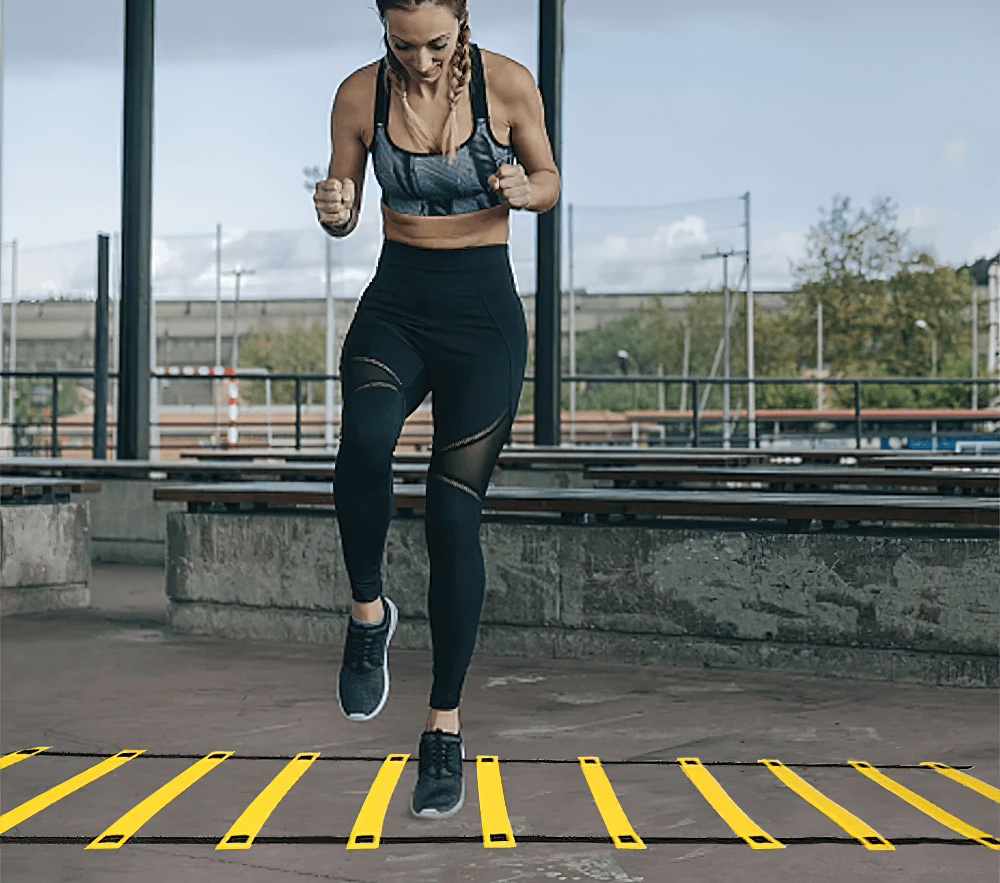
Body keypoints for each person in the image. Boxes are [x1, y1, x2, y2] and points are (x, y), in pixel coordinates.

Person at [312, 0, 559, 819]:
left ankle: (443, 725)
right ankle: (367, 612)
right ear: (384, 31)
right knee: (365, 438)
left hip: (483, 313)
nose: (420, 60)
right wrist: (339, 212)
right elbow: (345, 201)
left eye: (436, 44)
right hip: (399, 300)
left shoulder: (509, 86)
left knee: (453, 517)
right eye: (402, 43)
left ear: (463, 23)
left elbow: (551, 181)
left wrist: (528, 188)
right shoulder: (358, 96)